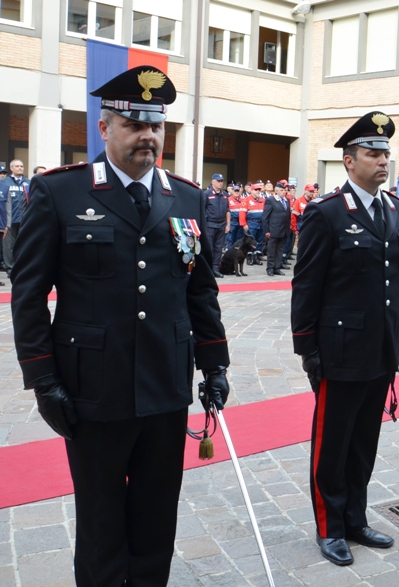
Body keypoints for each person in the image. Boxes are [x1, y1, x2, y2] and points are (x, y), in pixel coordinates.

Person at [10, 65, 230, 586]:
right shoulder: (60, 193)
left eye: (156, 126)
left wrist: (215, 364)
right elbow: (28, 294)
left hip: (165, 387)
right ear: (104, 129)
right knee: (102, 523)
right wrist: (43, 380)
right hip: (93, 391)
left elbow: (200, 292)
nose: (148, 136)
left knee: (157, 520)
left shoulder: (187, 199)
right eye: (134, 125)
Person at [291, 111, 399, 566]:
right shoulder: (326, 213)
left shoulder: (395, 210)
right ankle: (330, 525)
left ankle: (356, 519)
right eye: (373, 153)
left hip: (380, 348)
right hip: (339, 352)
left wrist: (395, 340)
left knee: (364, 441)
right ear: (348, 160)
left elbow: (393, 283)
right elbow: (307, 287)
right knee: (333, 442)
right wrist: (308, 350)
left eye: (386, 154)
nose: (383, 161)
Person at [0, 159, 30, 280]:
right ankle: (10, 269)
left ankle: (21, 267)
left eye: (22, 166)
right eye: (17, 166)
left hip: (24, 219)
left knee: (22, 244)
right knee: (8, 246)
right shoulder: (4, 182)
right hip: (9, 220)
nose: (20, 168)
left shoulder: (28, 183)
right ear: (11, 168)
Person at [203, 173, 230, 278]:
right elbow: (202, 210)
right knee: (209, 248)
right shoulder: (207, 194)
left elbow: (227, 210)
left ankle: (215, 269)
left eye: (222, 181)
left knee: (219, 248)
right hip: (210, 224)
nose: (220, 183)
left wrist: (228, 224)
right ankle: (208, 269)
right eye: (218, 181)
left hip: (221, 224)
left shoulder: (224, 195)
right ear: (212, 181)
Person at [262, 180, 291, 276]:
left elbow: (288, 215)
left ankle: (277, 267)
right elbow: (265, 216)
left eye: (285, 190)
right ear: (277, 191)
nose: (284, 192)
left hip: (284, 230)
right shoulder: (271, 200)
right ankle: (270, 268)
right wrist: (266, 230)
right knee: (271, 250)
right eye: (282, 190)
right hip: (273, 230)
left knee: (280, 250)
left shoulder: (287, 200)